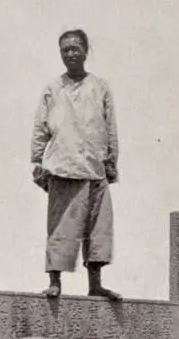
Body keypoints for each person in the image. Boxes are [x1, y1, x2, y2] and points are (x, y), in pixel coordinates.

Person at [30, 29, 122, 301]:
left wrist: (111, 161)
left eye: (75, 48)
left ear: (85, 50)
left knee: (97, 230)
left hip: (95, 168)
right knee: (61, 227)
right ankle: (55, 282)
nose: (70, 54)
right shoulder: (52, 88)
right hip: (63, 166)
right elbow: (40, 128)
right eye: (65, 50)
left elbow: (110, 126)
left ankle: (96, 285)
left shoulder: (100, 86)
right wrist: (37, 161)